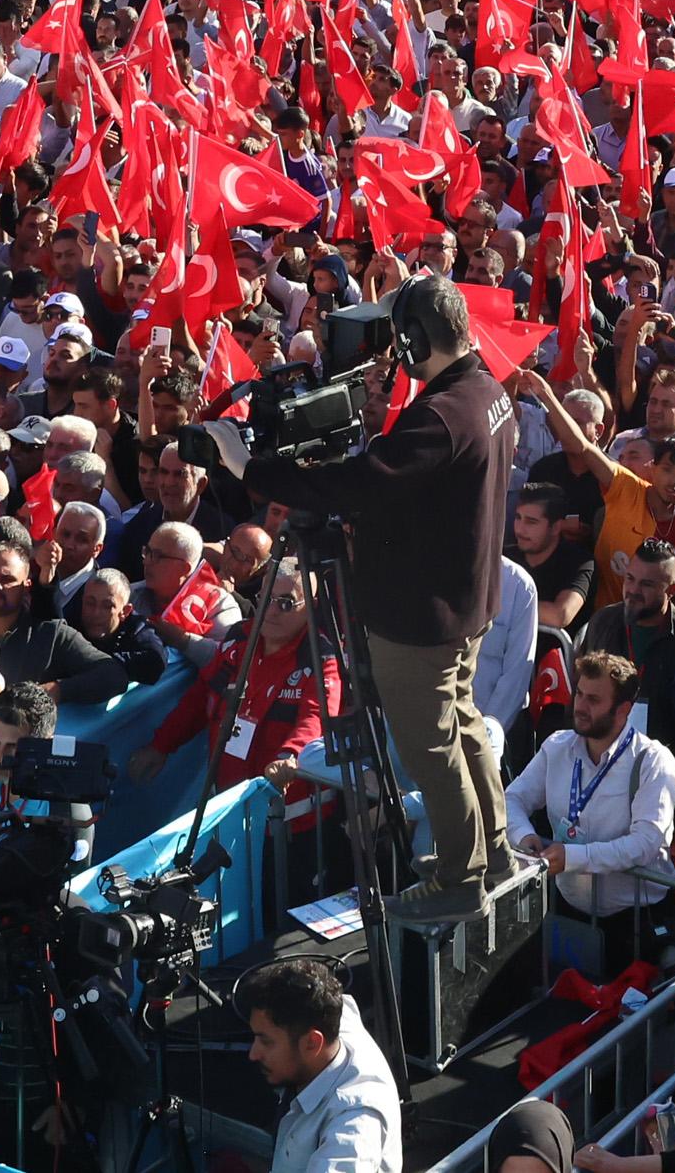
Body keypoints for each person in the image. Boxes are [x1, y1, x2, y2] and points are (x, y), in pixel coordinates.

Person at [235, 276, 518, 917]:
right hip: (463, 603)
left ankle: (459, 881)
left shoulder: (443, 415)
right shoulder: (485, 392)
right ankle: (489, 847)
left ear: (416, 340)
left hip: (422, 616)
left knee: (431, 747)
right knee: (463, 724)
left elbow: (358, 485)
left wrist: (252, 470)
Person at [502, 649, 675, 960]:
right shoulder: (558, 746)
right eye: (580, 694)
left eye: (594, 700)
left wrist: (573, 856)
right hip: (569, 914)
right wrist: (523, 836)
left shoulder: (653, 761)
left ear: (623, 709)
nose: (580, 707)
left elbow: (646, 844)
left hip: (635, 923)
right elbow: (511, 799)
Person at [246, 957, 400, 1173]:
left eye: (266, 1041)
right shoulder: (332, 1019)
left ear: (312, 1042)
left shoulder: (354, 1126)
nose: (253, 1054)